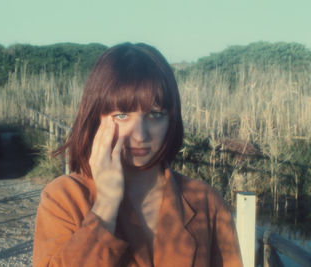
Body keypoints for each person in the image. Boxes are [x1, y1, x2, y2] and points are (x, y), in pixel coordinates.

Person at [33, 43, 243, 267]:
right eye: (122, 115)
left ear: (171, 119)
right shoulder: (65, 198)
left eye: (155, 114)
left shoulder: (204, 201)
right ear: (96, 118)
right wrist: (105, 206)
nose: (141, 135)